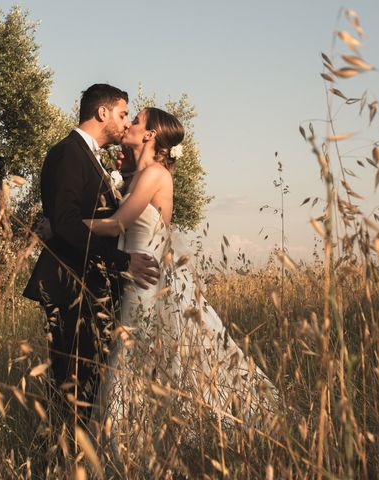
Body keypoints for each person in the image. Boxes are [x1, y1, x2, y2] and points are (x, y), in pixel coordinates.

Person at [83, 107, 277, 460]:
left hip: (148, 280)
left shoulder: (155, 175)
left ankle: (127, 447)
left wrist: (62, 225)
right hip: (136, 276)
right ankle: (135, 444)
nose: (129, 123)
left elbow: (115, 226)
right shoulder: (136, 176)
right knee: (141, 357)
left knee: (134, 357)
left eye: (136, 120)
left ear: (150, 135)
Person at [23, 84, 159, 429]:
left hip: (89, 288)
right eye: (123, 114)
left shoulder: (90, 157)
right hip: (71, 288)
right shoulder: (68, 153)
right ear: (103, 113)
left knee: (89, 386)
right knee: (72, 389)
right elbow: (66, 224)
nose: (126, 123)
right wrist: (123, 264)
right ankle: (62, 462)